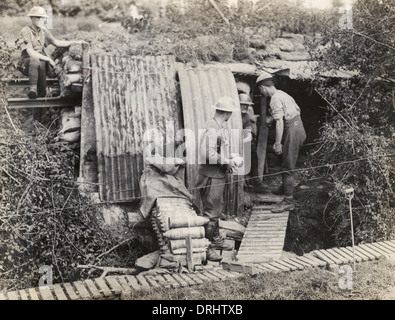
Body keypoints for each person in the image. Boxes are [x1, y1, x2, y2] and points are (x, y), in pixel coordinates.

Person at [196, 96, 240, 261]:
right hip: (211, 177)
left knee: (215, 209)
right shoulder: (213, 128)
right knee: (211, 213)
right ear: (227, 113)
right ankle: (205, 248)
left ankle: (215, 240)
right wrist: (226, 161)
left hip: (216, 175)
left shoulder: (217, 126)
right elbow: (208, 153)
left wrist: (227, 161)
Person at [256, 72, 306, 213]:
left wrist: (278, 142)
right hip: (298, 127)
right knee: (284, 159)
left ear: (263, 87)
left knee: (287, 165)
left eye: (260, 90)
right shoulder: (283, 94)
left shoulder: (274, 99)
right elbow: (294, 111)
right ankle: (285, 187)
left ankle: (288, 201)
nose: (261, 92)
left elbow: (280, 122)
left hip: (292, 130)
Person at [18, 6, 85, 101]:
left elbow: (56, 42)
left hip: (40, 63)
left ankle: (40, 93)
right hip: (26, 63)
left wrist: (75, 42)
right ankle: (32, 88)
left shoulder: (43, 31)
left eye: (42, 18)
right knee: (36, 59)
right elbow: (31, 52)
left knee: (40, 63)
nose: (40, 20)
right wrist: (49, 59)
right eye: (37, 17)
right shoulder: (26, 31)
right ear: (31, 18)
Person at [239, 93, 267, 193]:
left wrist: (246, 140)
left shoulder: (246, 116)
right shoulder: (233, 115)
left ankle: (255, 179)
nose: (245, 107)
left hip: (243, 141)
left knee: (252, 150)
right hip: (233, 142)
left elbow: (248, 132)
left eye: (247, 105)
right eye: (242, 104)